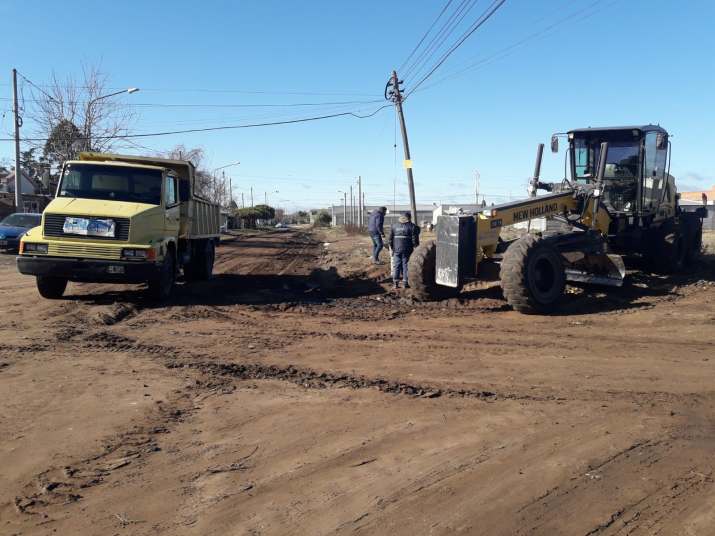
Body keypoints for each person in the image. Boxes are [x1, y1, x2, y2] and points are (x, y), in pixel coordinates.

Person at [389, 212, 420, 289]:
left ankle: (395, 283)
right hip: (407, 250)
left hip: (396, 250)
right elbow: (414, 240)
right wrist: (416, 247)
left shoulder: (394, 226)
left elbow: (390, 239)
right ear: (409, 218)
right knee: (406, 265)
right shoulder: (412, 226)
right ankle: (405, 283)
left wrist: (392, 248)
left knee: (396, 266)